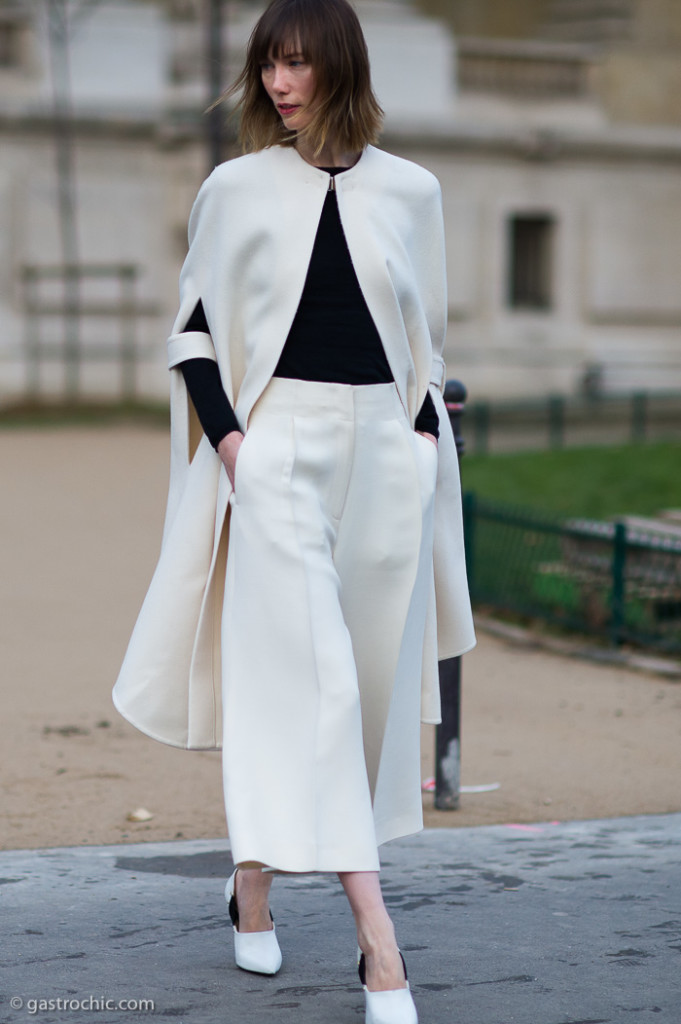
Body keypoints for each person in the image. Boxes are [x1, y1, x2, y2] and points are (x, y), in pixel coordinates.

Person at [113, 1, 475, 1021]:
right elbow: (192, 335)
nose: (280, 81)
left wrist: (411, 437)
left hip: (386, 463)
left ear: (339, 69)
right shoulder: (233, 189)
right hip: (275, 452)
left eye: (300, 63)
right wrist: (236, 449)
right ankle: (380, 947)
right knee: (312, 683)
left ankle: (253, 883)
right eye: (270, 62)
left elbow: (426, 342)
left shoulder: (414, 190)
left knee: (348, 691)